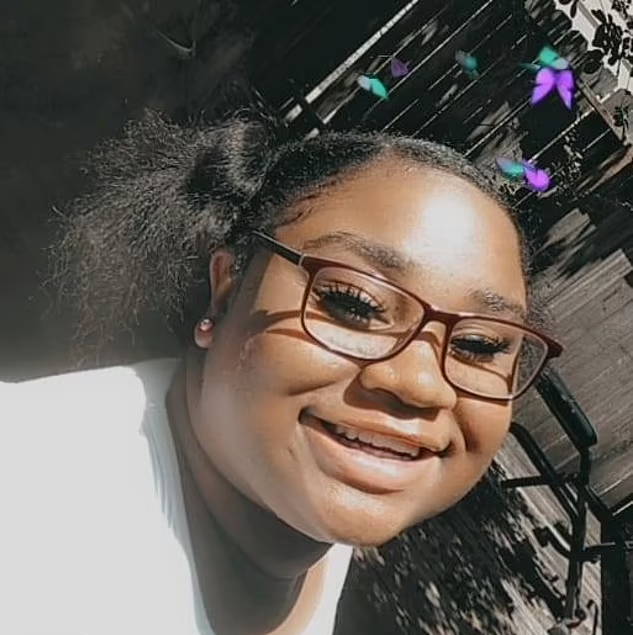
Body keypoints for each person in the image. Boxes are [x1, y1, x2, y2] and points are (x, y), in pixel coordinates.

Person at [0, 111, 562, 635]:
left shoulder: (309, 504)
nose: (420, 383)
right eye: (354, 304)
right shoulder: (30, 500)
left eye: (479, 345)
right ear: (226, 289)